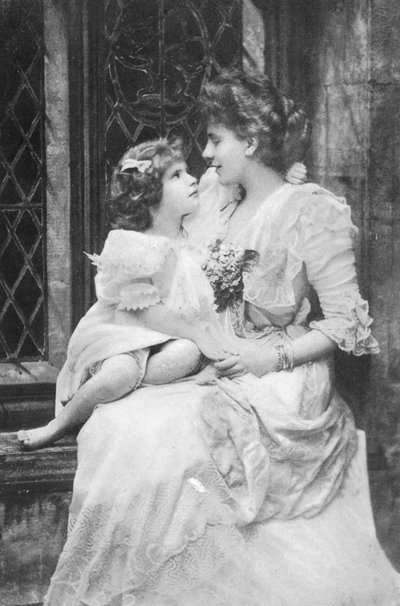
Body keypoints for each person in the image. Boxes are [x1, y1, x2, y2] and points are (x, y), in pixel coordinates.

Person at [43, 69, 400, 606]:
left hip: (283, 369)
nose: (206, 155)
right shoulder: (213, 196)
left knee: (170, 437)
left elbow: (345, 323)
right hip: (210, 355)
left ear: (251, 142)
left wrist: (267, 357)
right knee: (124, 426)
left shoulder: (312, 212)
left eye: (216, 140)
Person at [17, 139, 240, 450]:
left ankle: (112, 392)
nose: (191, 180)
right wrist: (199, 334)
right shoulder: (133, 244)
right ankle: (63, 420)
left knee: (188, 353)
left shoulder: (193, 233)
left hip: (169, 337)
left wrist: (284, 167)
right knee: (122, 370)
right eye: (176, 175)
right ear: (146, 195)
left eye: (188, 172)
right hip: (126, 333)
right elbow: (146, 313)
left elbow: (220, 185)